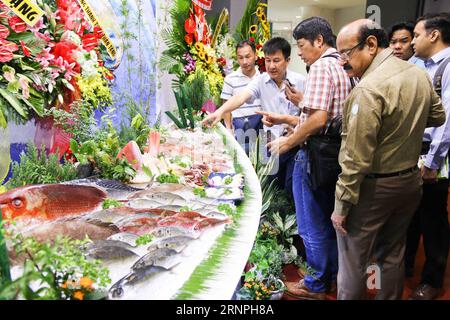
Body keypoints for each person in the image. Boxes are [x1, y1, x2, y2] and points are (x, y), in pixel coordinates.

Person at [331, 19, 445, 300]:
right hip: (409, 183)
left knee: (353, 261)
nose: (343, 61)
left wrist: (341, 205)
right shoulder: (417, 74)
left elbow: (355, 159)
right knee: (391, 254)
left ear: (370, 45)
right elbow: (437, 115)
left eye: (346, 53)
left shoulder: (368, 89)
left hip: (372, 190)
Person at [257, 17, 354, 300]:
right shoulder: (343, 65)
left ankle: (315, 283)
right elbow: (325, 116)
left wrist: (288, 140)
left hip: (313, 153)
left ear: (319, 42)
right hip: (334, 153)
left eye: (301, 46)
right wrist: (293, 119)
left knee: (310, 221)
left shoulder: (322, 66)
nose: (300, 53)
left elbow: (318, 119)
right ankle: (330, 275)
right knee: (327, 218)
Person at [203, 37, 306, 194]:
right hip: (269, 143)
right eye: (268, 60)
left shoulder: (300, 81)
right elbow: (240, 97)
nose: (271, 66)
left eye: (276, 60)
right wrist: (219, 112)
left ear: (288, 60)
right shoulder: (260, 81)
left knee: (292, 189)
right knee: (270, 188)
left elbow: (308, 113)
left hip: (294, 143)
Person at [406, 13, 450, 300]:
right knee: (411, 215)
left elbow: (447, 120)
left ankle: (433, 280)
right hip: (415, 154)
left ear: (434, 35)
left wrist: (432, 162)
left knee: (433, 220)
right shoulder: (422, 65)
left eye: (417, 35)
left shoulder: (448, 67)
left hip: (435, 160)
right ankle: (405, 267)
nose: (412, 41)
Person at [220, 40, 262, 154]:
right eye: (240, 57)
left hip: (261, 129)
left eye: (248, 56)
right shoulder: (230, 79)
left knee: (264, 165)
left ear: (255, 55)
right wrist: (228, 130)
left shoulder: (263, 78)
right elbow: (226, 106)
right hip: (240, 130)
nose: (244, 61)